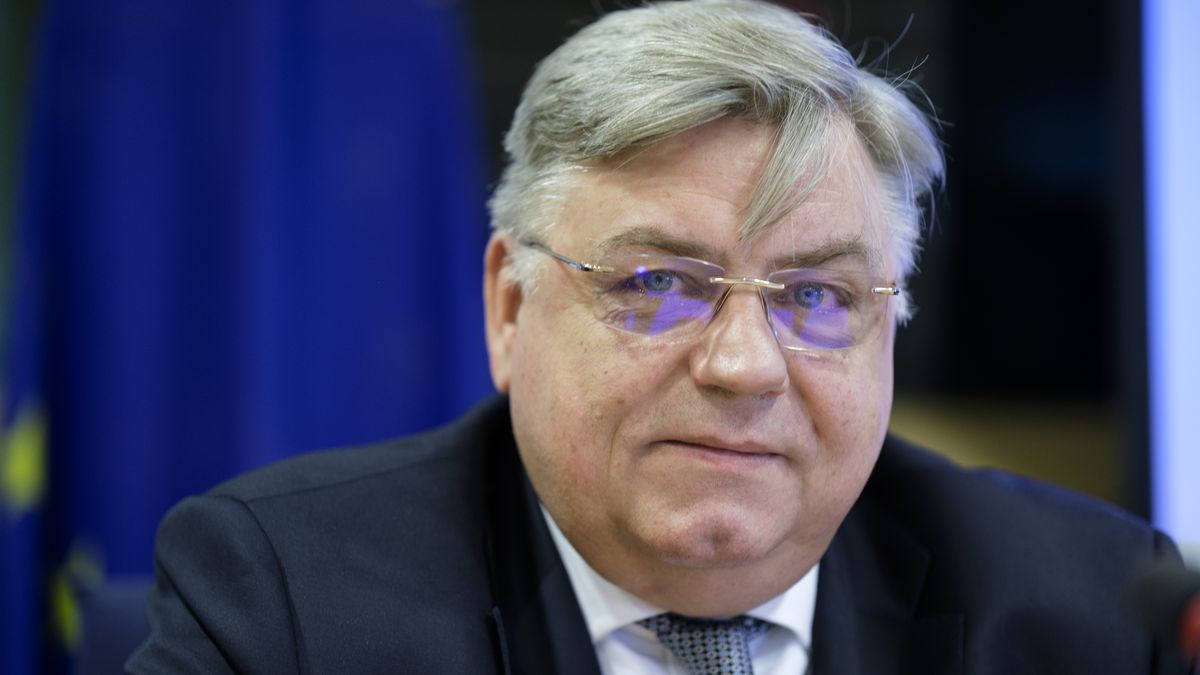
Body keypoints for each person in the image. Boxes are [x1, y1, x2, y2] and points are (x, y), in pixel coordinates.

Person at [128, 1, 1186, 673]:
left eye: (815, 298)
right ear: (509, 308)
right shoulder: (285, 605)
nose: (741, 366)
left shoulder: (1089, 614)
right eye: (656, 284)